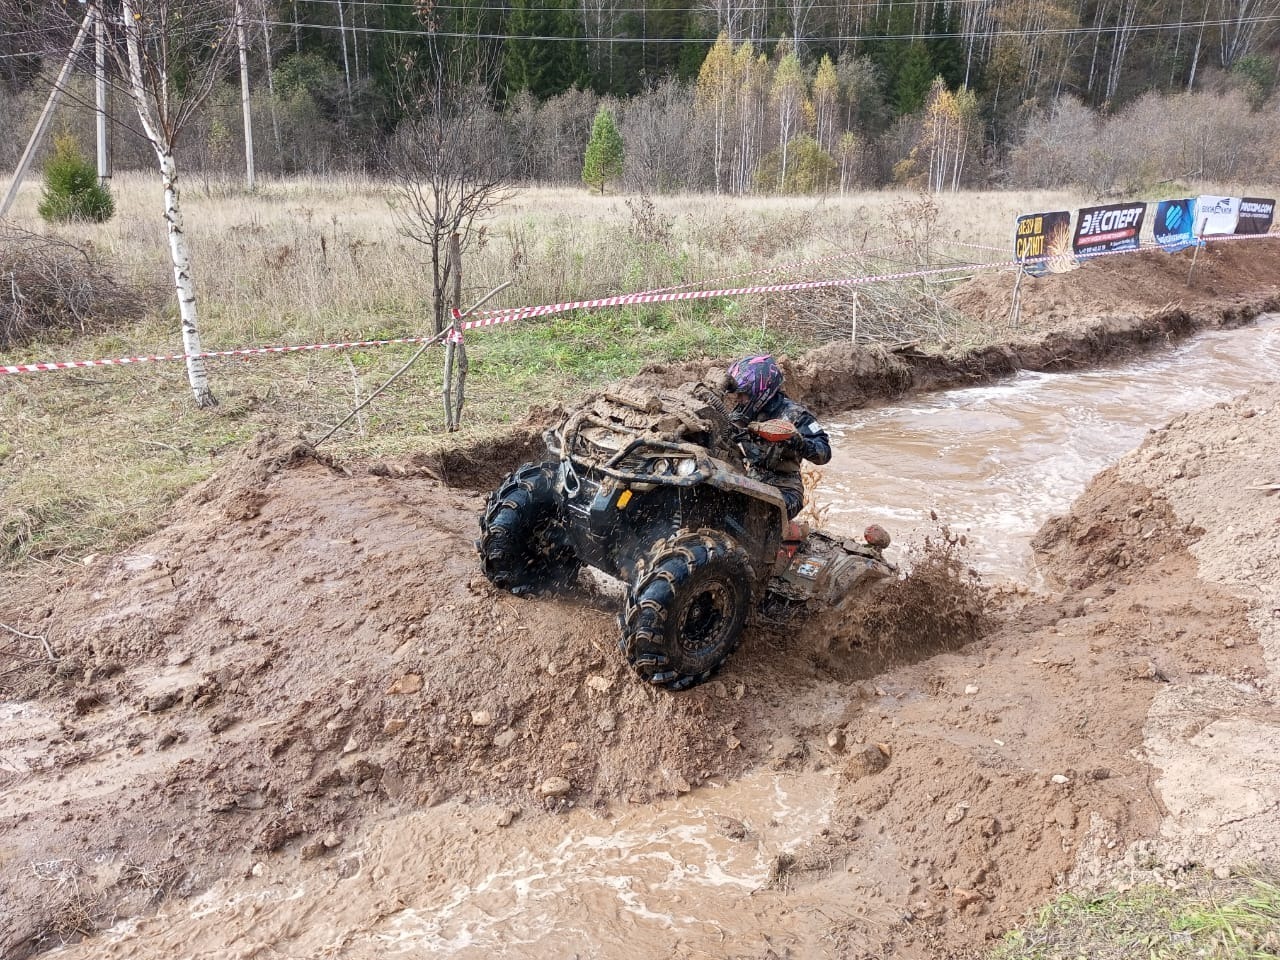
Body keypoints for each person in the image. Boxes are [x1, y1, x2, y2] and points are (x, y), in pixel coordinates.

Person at [723, 354, 831, 518]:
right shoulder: (741, 413)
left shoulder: (796, 415)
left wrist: (797, 442)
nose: (739, 399)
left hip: (785, 488)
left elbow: (824, 453)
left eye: (742, 394)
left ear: (759, 390)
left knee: (755, 513)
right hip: (750, 480)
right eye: (737, 394)